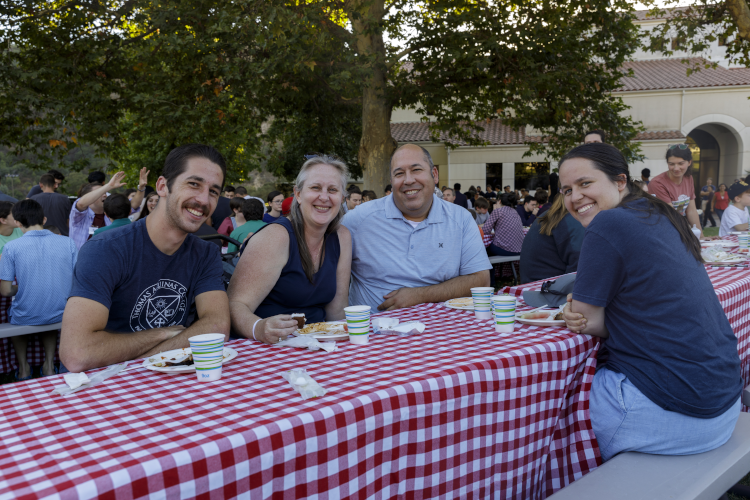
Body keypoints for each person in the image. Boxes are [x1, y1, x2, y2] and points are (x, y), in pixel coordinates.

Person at [559, 142, 741, 462]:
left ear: (619, 181)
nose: (574, 197)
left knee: (552, 406)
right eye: (565, 190)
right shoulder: (660, 213)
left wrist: (576, 310)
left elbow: (588, 321)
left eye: (585, 183)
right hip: (725, 405)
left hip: (677, 414)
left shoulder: (608, 222)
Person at [60, 144, 230, 372]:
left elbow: (217, 327)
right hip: (103, 385)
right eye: (193, 184)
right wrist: (161, 334)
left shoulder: (205, 252)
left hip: (170, 378)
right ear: (162, 186)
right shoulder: (105, 249)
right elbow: (78, 354)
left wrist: (148, 359)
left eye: (213, 191)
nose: (203, 199)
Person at [343, 144, 491, 311]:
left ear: (434, 175)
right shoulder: (358, 220)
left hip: (444, 330)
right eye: (399, 173)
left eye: (416, 170)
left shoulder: (461, 219)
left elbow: (481, 281)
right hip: (374, 332)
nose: (408, 180)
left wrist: (420, 295)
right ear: (391, 182)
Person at [227, 156, 352, 344]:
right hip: (267, 347)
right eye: (315, 188)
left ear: (342, 198)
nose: (324, 197)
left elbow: (337, 310)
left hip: (316, 346)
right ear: (298, 194)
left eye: (332, 190)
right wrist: (259, 327)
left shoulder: (342, 237)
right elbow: (234, 305)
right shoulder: (276, 237)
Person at [0, 200, 78, 379]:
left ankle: (23, 368)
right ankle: (49, 365)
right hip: (62, 313)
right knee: (49, 311)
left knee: (16, 314)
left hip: (27, 314)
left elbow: (5, 291)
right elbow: (78, 278)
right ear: (44, 218)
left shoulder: (11, 248)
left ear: (18, 223)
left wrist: (23, 287)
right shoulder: (68, 243)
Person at [519, 194, 584, 284]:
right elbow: (580, 269)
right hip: (549, 289)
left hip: (532, 284)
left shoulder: (550, 214)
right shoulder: (572, 219)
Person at [648, 144, 704, 237]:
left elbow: (691, 211)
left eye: (681, 163)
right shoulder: (657, 183)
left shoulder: (688, 178)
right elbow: (671, 215)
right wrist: (690, 237)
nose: (676, 168)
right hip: (660, 233)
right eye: (671, 164)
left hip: (677, 230)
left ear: (689, 162)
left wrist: (701, 238)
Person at [483, 193, 524, 257]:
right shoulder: (514, 211)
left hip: (506, 249)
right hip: (519, 249)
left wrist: (494, 211)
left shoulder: (498, 211)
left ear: (499, 201)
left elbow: (485, 230)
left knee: (484, 250)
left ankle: (493, 267)